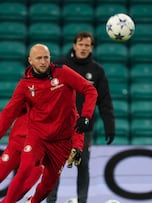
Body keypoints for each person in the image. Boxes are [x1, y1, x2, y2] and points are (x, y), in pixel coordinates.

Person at [0, 44, 97, 203]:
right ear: (30, 60)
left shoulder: (63, 73)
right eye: (39, 58)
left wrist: (86, 117)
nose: (43, 61)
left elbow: (90, 90)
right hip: (37, 137)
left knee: (47, 186)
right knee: (25, 169)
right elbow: (8, 114)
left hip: (61, 142)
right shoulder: (25, 85)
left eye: (46, 57)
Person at [47, 31, 115, 203]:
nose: (83, 48)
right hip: (60, 126)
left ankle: (82, 201)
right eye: (81, 44)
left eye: (87, 45)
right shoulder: (60, 65)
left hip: (84, 128)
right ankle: (50, 200)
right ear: (74, 45)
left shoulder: (97, 71)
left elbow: (104, 100)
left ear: (91, 48)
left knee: (83, 165)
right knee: (55, 166)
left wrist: (110, 125)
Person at [0, 107, 44, 203]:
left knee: (21, 191)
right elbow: (8, 112)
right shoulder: (31, 95)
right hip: (16, 145)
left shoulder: (59, 102)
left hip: (38, 150)